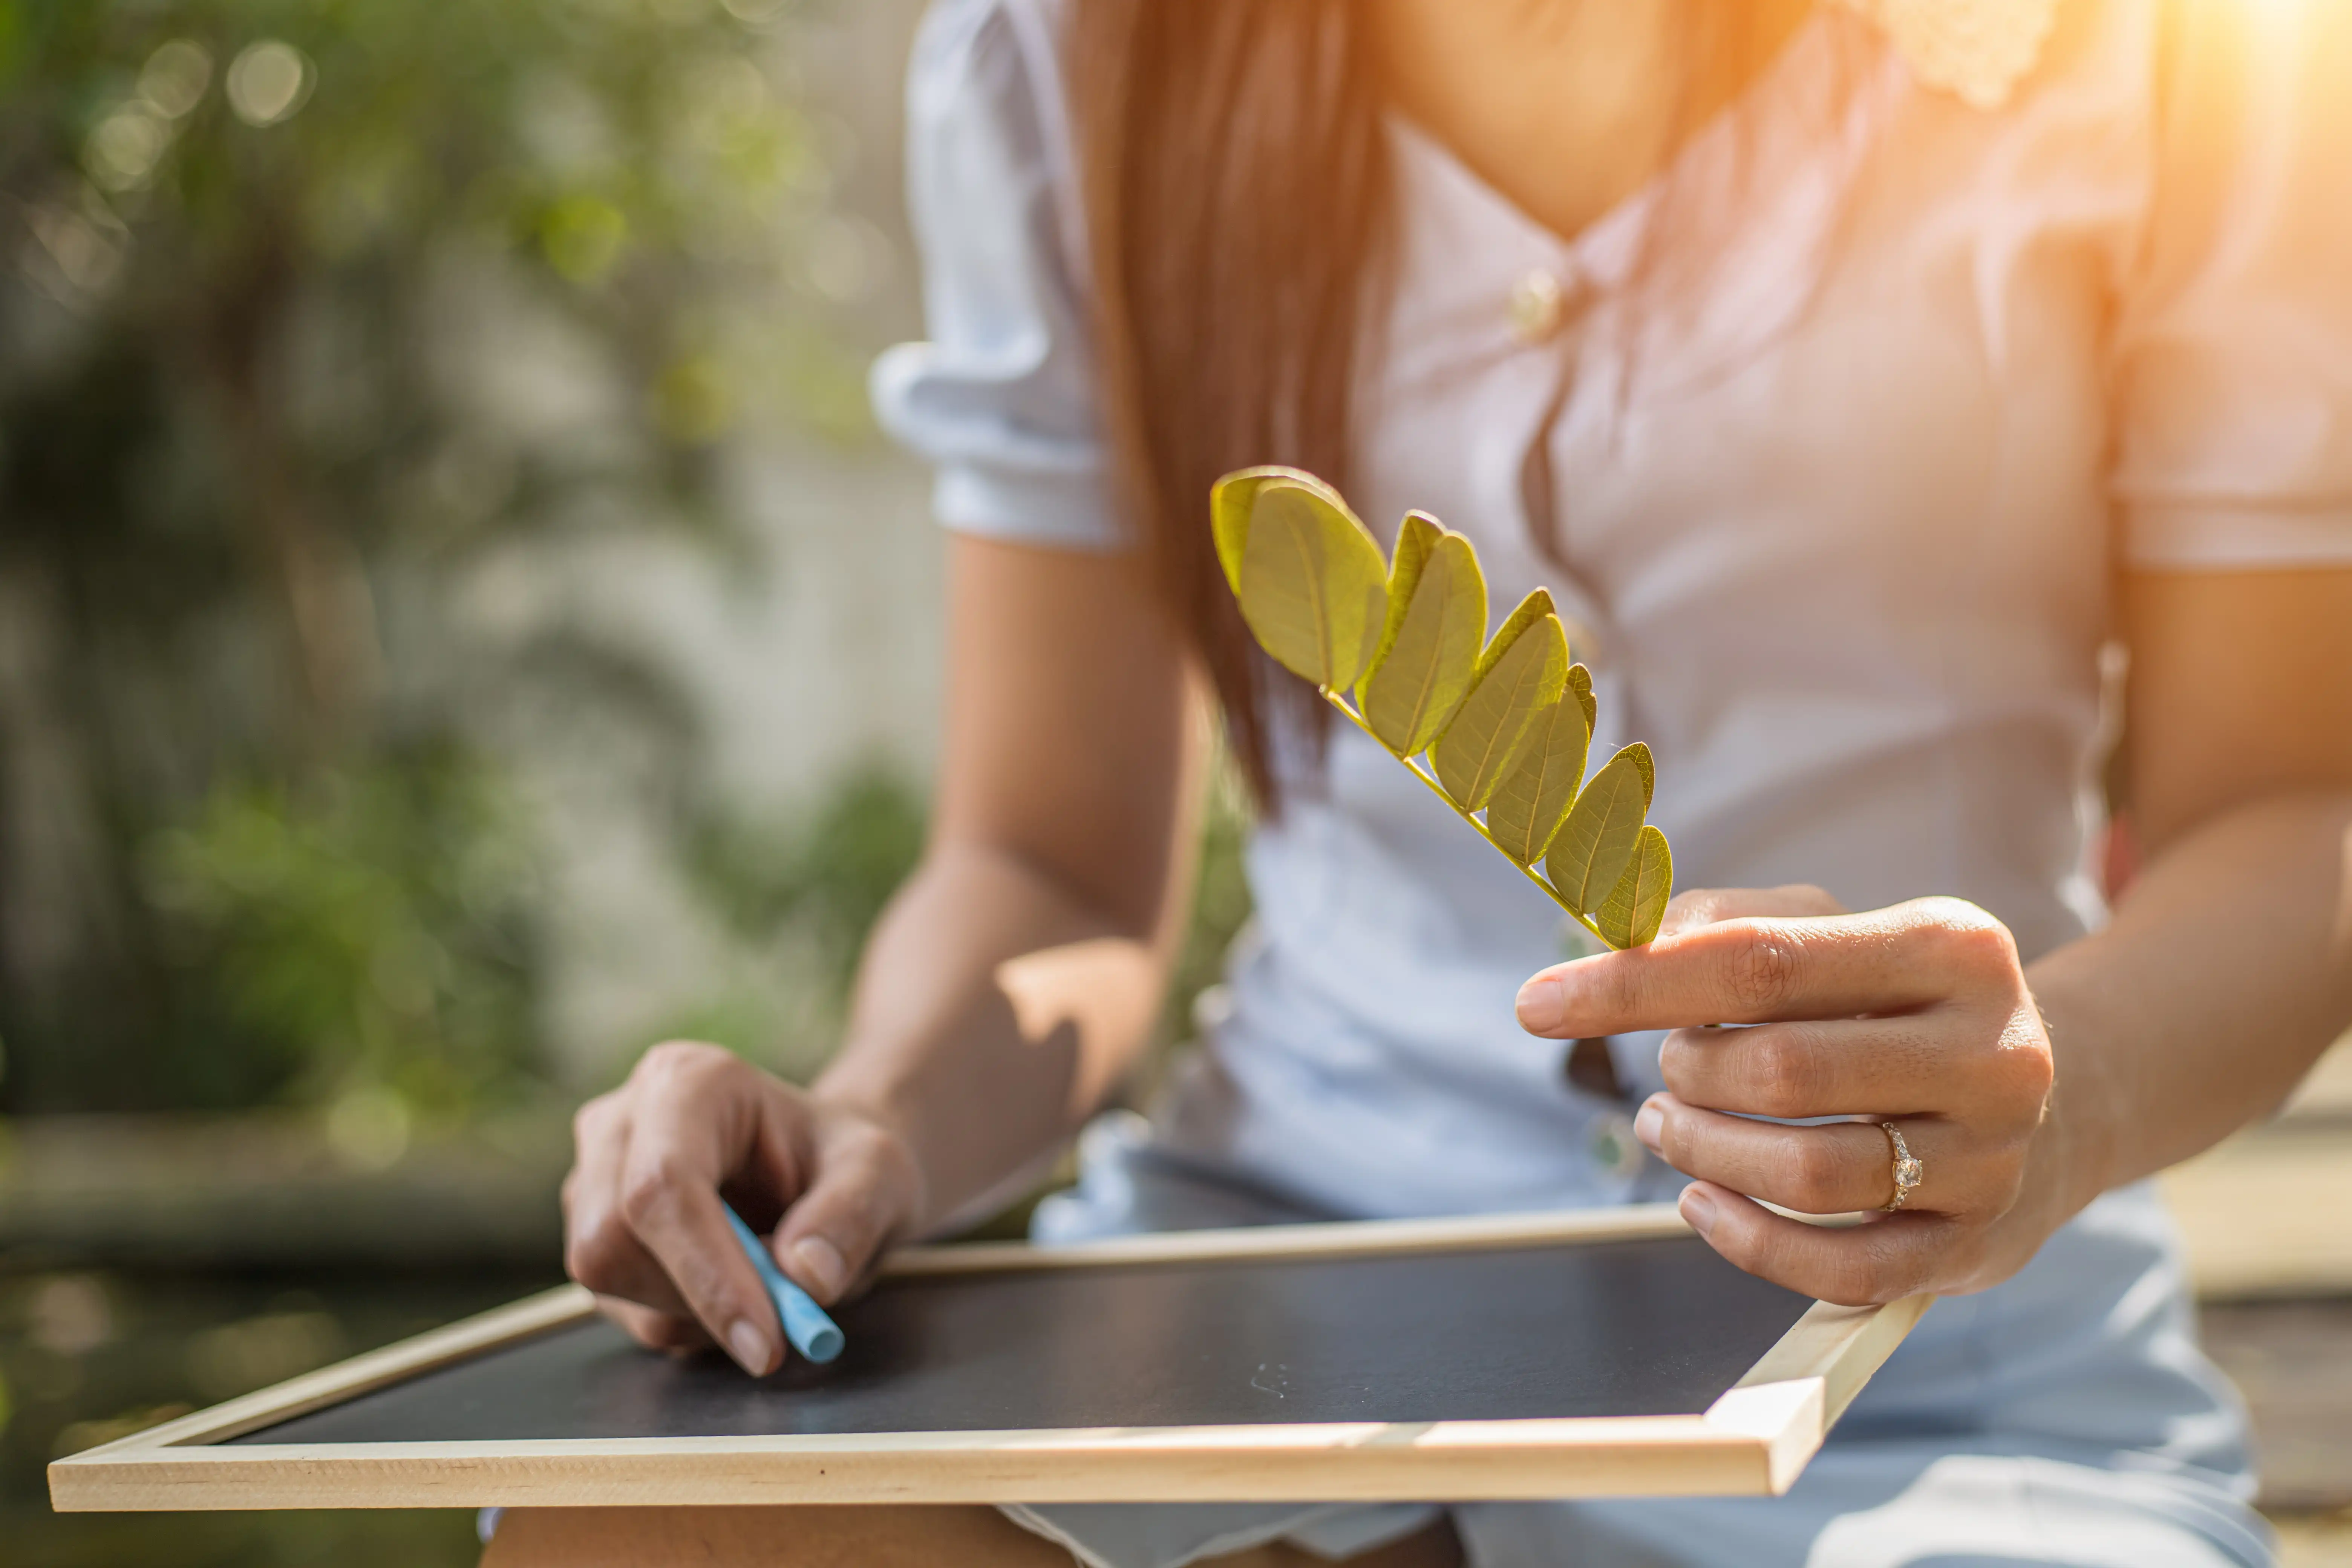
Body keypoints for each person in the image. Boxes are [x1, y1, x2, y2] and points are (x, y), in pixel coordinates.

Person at [484, 0, 2352, 1563]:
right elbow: (1045, 859)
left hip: (1922, 1374)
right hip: (1261, 1317)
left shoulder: (2180, 55)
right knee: (637, 1528)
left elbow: (2288, 813)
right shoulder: (1070, 56)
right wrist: (872, 1112)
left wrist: (2055, 1089)